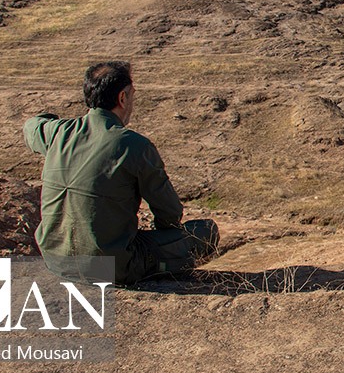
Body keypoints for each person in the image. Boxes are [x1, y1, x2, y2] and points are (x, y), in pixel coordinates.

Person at [24, 61, 218, 285]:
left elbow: (31, 126)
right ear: (122, 97)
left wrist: (53, 120)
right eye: (133, 95)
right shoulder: (135, 146)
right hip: (111, 269)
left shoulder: (58, 132)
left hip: (54, 261)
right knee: (206, 231)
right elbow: (169, 214)